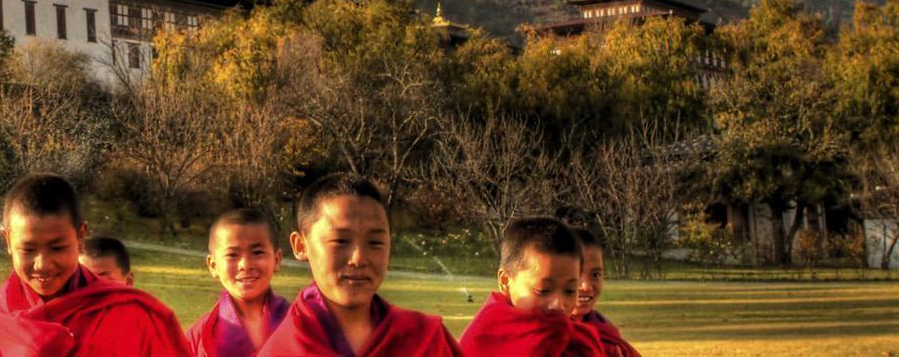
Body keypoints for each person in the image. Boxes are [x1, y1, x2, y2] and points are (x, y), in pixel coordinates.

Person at [0, 173, 190, 356]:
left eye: (58, 248)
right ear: (8, 241)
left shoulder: (132, 314)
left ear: (81, 236)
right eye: (28, 250)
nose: (43, 264)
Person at [255, 173, 459, 356]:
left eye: (375, 242)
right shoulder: (283, 350)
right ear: (300, 246)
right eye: (340, 241)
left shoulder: (424, 339)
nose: (359, 258)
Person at [458, 217, 603, 357]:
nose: (558, 304)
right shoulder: (484, 338)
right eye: (543, 290)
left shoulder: (581, 341)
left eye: (570, 291)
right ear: (505, 281)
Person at [187, 207, 290, 357]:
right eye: (232, 255)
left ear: (276, 259)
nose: (245, 265)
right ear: (213, 265)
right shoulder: (198, 336)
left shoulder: (297, 322)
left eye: (257, 252)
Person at [571, 228, 639, 357]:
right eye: (576, 274)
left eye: (596, 275)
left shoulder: (603, 326)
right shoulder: (547, 334)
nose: (586, 286)